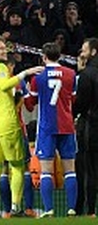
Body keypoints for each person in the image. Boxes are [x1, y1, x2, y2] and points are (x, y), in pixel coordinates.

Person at [0, 35, 43, 218]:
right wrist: (25, 73)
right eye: (1, 48)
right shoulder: (1, 68)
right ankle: (15, 207)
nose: (5, 51)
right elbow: (5, 84)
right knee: (18, 166)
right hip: (8, 125)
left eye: (5, 48)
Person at [25, 42, 78, 217]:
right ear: (60, 56)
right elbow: (75, 100)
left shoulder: (38, 77)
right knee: (70, 169)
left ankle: (49, 210)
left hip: (47, 127)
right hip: (67, 126)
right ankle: (71, 209)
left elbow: (30, 105)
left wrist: (25, 94)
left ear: (43, 57)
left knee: (46, 170)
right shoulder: (71, 74)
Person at [75, 38, 98, 216]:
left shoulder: (87, 74)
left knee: (89, 170)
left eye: (84, 49)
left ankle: (89, 210)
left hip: (92, 126)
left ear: (93, 52)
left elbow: (81, 104)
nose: (81, 52)